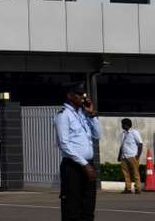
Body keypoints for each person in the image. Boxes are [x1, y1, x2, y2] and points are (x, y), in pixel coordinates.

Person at [54, 83, 101, 221]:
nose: (83, 97)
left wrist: (92, 114)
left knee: (88, 206)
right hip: (73, 166)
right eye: (79, 94)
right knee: (72, 206)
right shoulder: (63, 115)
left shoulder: (84, 115)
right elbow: (64, 143)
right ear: (70, 96)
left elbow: (98, 135)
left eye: (84, 94)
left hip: (87, 164)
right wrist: (84, 164)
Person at [118, 118, 143, 194]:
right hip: (124, 156)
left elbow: (140, 144)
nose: (121, 125)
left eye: (122, 124)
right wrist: (119, 156)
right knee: (126, 173)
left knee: (135, 172)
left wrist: (138, 156)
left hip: (132, 156)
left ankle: (137, 188)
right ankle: (128, 188)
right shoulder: (123, 133)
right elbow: (122, 145)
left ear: (126, 125)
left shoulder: (134, 132)